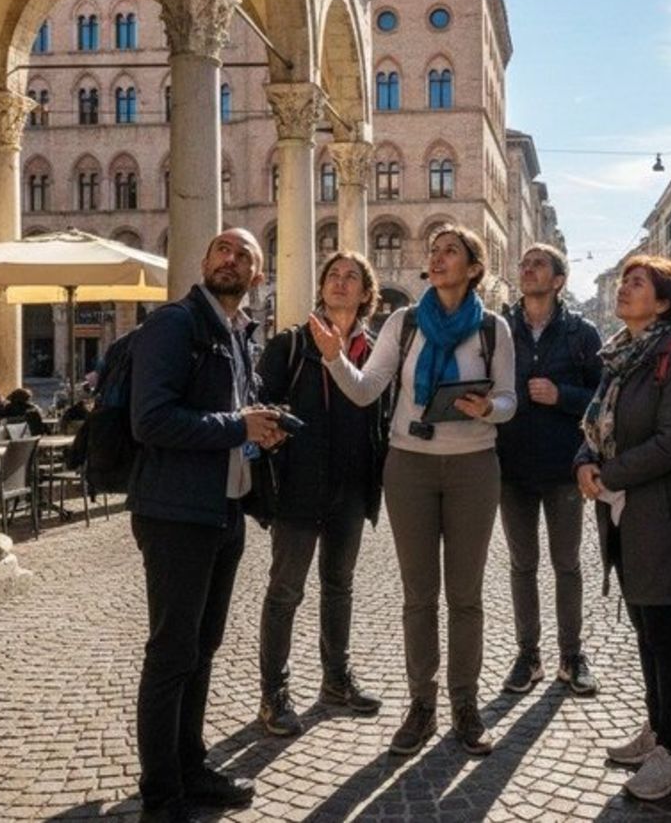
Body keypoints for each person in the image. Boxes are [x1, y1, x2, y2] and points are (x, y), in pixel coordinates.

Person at [308, 223, 516, 757]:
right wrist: (334, 357)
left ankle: (465, 705)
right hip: (410, 468)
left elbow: (511, 400)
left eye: (451, 251)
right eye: (435, 250)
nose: (439, 257)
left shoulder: (494, 329)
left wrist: (489, 408)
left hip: (473, 466)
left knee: (466, 597)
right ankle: (422, 704)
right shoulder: (402, 322)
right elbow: (365, 391)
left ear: (474, 268)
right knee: (418, 597)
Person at [128, 228, 287, 823]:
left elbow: (235, 415)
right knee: (172, 653)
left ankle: (190, 769)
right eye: (222, 248)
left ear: (258, 275)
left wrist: (262, 428)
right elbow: (152, 420)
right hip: (173, 511)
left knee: (203, 647)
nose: (231, 258)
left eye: (245, 254)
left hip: (223, 507)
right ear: (204, 261)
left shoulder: (240, 333)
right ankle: (161, 795)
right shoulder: (175, 324)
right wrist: (238, 426)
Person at [577, 255, 671, 801]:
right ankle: (657, 731)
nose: (624, 288)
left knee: (665, 632)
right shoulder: (620, 359)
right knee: (645, 628)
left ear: (664, 301)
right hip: (624, 513)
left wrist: (605, 471)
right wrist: (582, 460)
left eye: (637, 283)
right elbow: (594, 423)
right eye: (625, 280)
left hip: (663, 513)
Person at [254, 251, 386, 736]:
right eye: (333, 275)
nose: (340, 283)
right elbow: (259, 401)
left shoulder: (374, 351)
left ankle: (335, 680)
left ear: (366, 294)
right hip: (297, 487)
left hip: (350, 489)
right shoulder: (290, 344)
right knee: (285, 591)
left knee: (339, 587)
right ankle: (274, 693)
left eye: (352, 277)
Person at [496, 243, 603, 697]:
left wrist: (562, 396)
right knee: (522, 565)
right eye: (524, 264)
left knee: (567, 565)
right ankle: (528, 655)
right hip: (512, 466)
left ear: (559, 280)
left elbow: (603, 401)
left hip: (564, 468)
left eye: (538, 264)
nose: (527, 269)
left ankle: (571, 655)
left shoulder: (582, 333)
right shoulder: (500, 329)